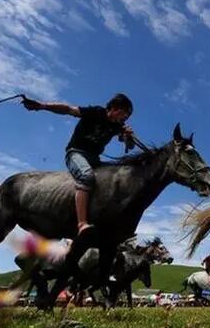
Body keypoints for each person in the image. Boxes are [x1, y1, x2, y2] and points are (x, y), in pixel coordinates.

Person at [22, 93, 134, 235]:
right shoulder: (96, 113)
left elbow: (129, 147)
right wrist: (42, 106)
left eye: (128, 116)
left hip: (95, 159)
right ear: (114, 108)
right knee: (86, 176)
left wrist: (128, 137)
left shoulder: (119, 127)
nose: (125, 118)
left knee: (118, 175)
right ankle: (81, 223)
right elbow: (68, 109)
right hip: (76, 153)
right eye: (124, 113)